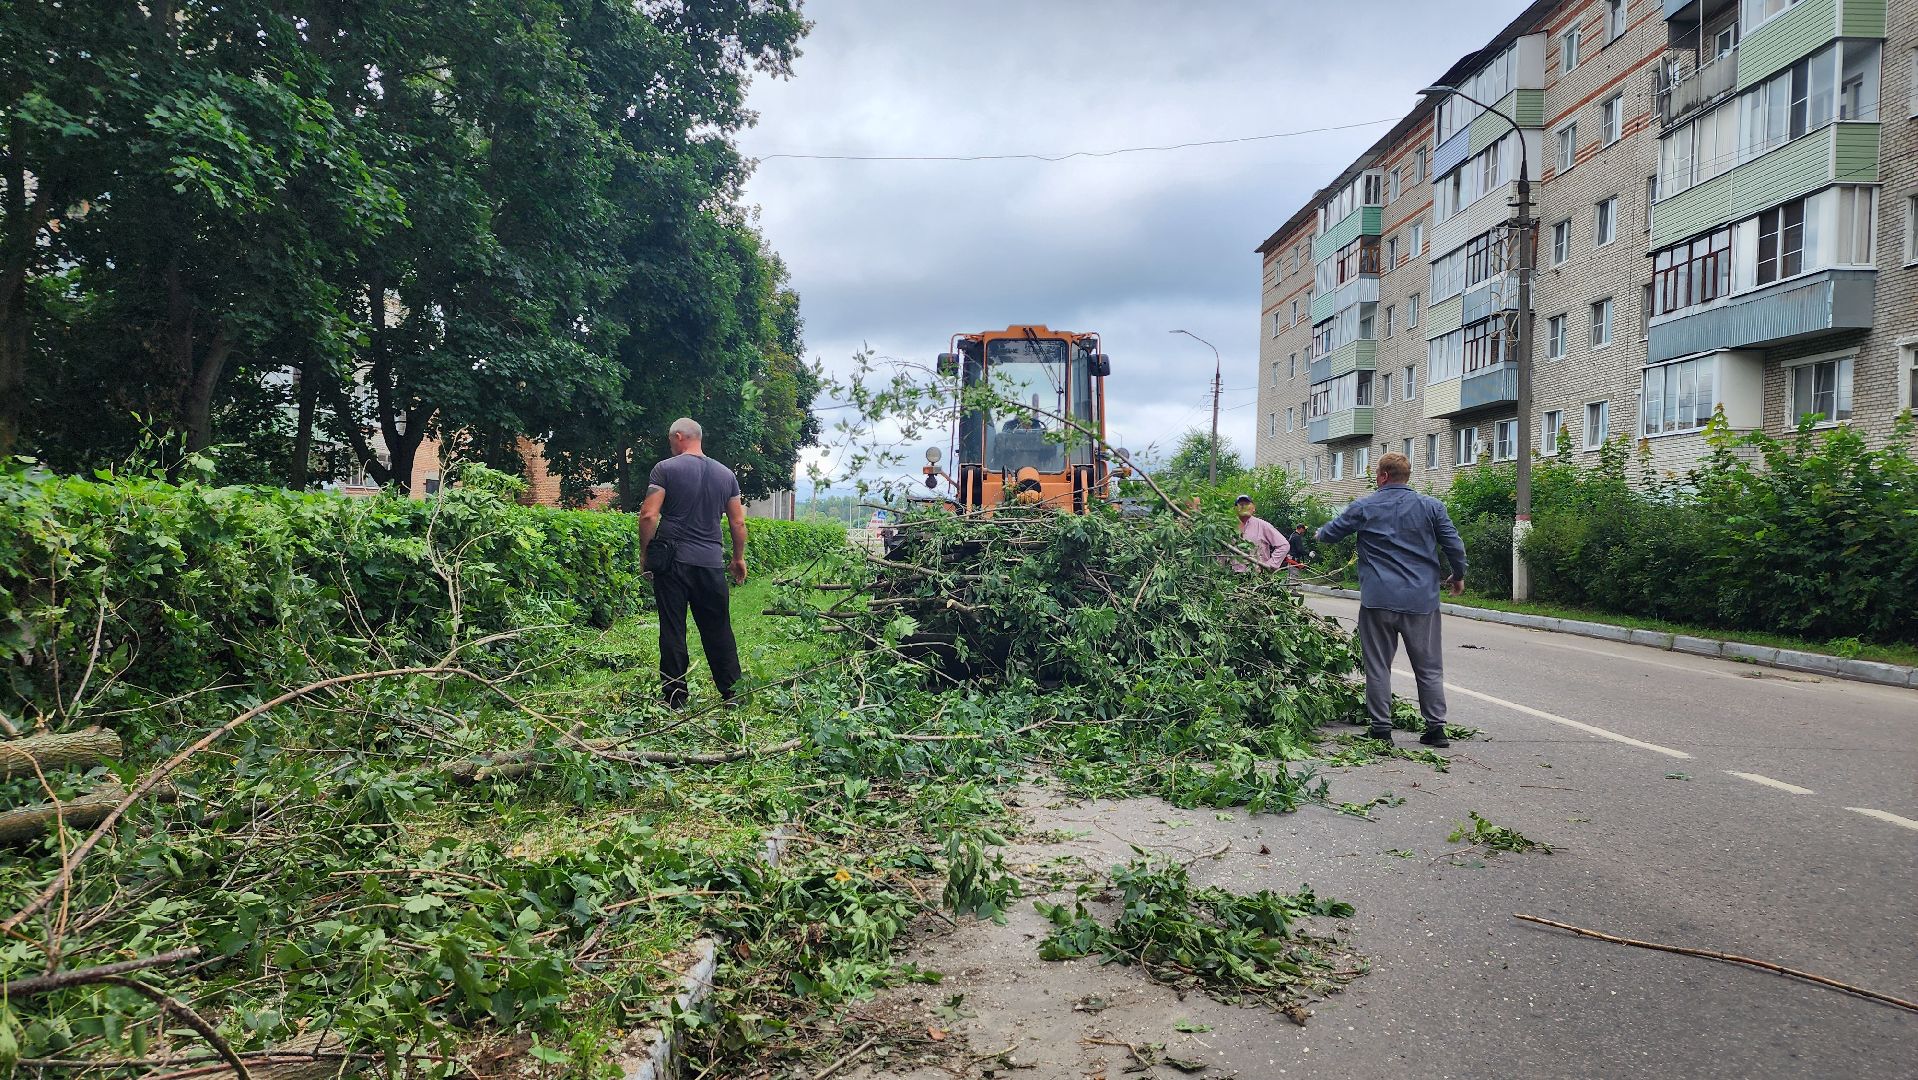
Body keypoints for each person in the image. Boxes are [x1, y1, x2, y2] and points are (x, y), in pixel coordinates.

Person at [1315, 451, 1465, 748]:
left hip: (1378, 601)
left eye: (1376, 475)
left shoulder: (1365, 506)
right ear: (1406, 477)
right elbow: (1453, 545)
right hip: (1421, 601)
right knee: (1429, 667)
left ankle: (1381, 730)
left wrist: (1319, 534)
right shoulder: (1431, 506)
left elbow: (1331, 534)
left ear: (1383, 476)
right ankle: (1436, 729)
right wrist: (1458, 574)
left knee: (1378, 665)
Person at [638, 417, 748, 708]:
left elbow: (649, 515)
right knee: (718, 628)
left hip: (672, 563)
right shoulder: (727, 475)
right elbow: (737, 523)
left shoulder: (665, 469)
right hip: (711, 563)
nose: (670, 445)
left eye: (670, 440)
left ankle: (676, 699)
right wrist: (738, 558)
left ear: (678, 436)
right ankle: (732, 694)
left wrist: (645, 555)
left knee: (673, 628)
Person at [1232, 495, 1290, 572]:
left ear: (1254, 508)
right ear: (1235, 509)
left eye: (1247, 503)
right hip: (1231, 577)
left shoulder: (1263, 525)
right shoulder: (1227, 526)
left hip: (1257, 577)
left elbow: (1284, 545)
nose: (1243, 506)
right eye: (1240, 504)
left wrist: (1269, 565)